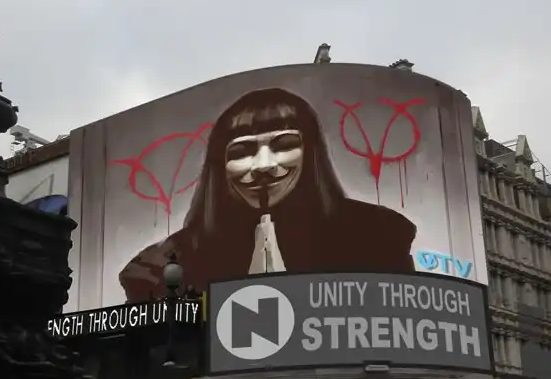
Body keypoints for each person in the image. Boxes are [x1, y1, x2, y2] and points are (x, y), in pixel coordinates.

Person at [119, 87, 417, 302]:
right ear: (219, 166)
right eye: (243, 151)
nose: (264, 165)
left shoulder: (379, 234)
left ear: (311, 153)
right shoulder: (159, 265)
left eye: (284, 145)